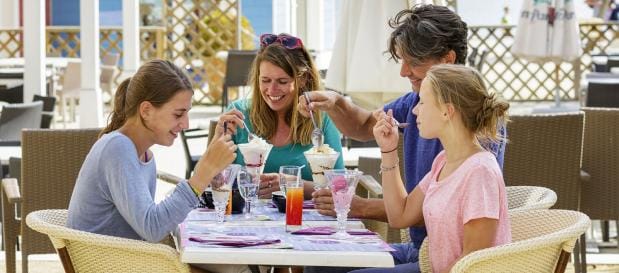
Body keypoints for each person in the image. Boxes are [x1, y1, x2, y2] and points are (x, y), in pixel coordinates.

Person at [300, 4, 505, 272]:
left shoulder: (477, 141)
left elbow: (471, 259)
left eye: (414, 62)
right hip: (423, 251)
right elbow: (363, 124)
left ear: (447, 60)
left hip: (443, 261)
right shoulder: (437, 145)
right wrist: (335, 103)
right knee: (320, 263)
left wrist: (359, 206)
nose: (403, 71)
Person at [66, 59, 248, 273]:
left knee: (236, 265)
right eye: (178, 114)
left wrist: (211, 160)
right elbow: (153, 228)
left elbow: (152, 223)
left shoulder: (143, 155)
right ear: (146, 110)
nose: (186, 124)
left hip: (130, 260)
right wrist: (203, 171)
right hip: (110, 265)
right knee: (237, 268)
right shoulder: (117, 148)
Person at [357, 64, 511, 273]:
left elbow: (474, 262)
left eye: (422, 102)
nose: (414, 110)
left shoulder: (479, 172)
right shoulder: (444, 161)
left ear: (447, 112)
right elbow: (399, 216)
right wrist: (388, 150)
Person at [219, 33, 345, 199]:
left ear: (302, 79)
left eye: (282, 81)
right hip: (248, 219)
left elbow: (340, 186)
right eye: (265, 80)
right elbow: (215, 180)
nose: (272, 90)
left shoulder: (322, 118)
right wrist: (217, 140)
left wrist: (294, 184)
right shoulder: (239, 115)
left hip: (308, 220)